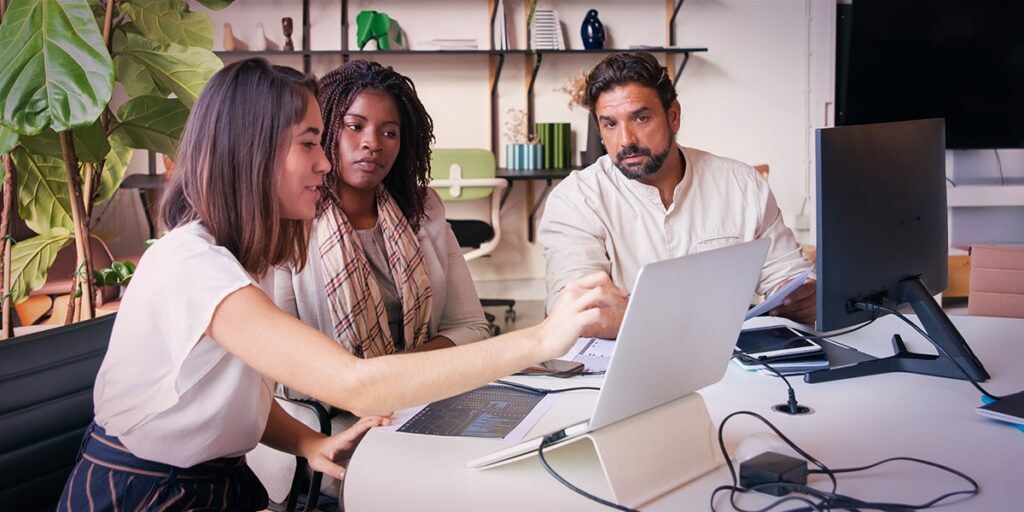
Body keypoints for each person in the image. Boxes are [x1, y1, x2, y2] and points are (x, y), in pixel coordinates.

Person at [58, 58, 625, 511]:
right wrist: (541, 339)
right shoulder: (193, 265)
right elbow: (354, 384)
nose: (326, 162)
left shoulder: (243, 252)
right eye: (311, 142)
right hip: (147, 493)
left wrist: (305, 442)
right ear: (254, 151)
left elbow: (232, 395)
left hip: (215, 483)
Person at [250, 60, 492, 502]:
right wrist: (395, 381)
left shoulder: (423, 209)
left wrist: (399, 379)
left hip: (423, 408)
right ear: (323, 133)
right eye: (354, 126)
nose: (371, 144)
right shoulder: (288, 220)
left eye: (389, 132)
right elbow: (286, 376)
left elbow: (472, 327)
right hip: (330, 433)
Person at [538, 51, 814, 339]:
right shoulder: (575, 200)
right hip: (624, 368)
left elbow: (790, 275)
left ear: (673, 116)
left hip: (733, 364)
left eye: (641, 118)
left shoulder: (742, 185)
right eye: (610, 124)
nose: (626, 140)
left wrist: (801, 296)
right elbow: (579, 312)